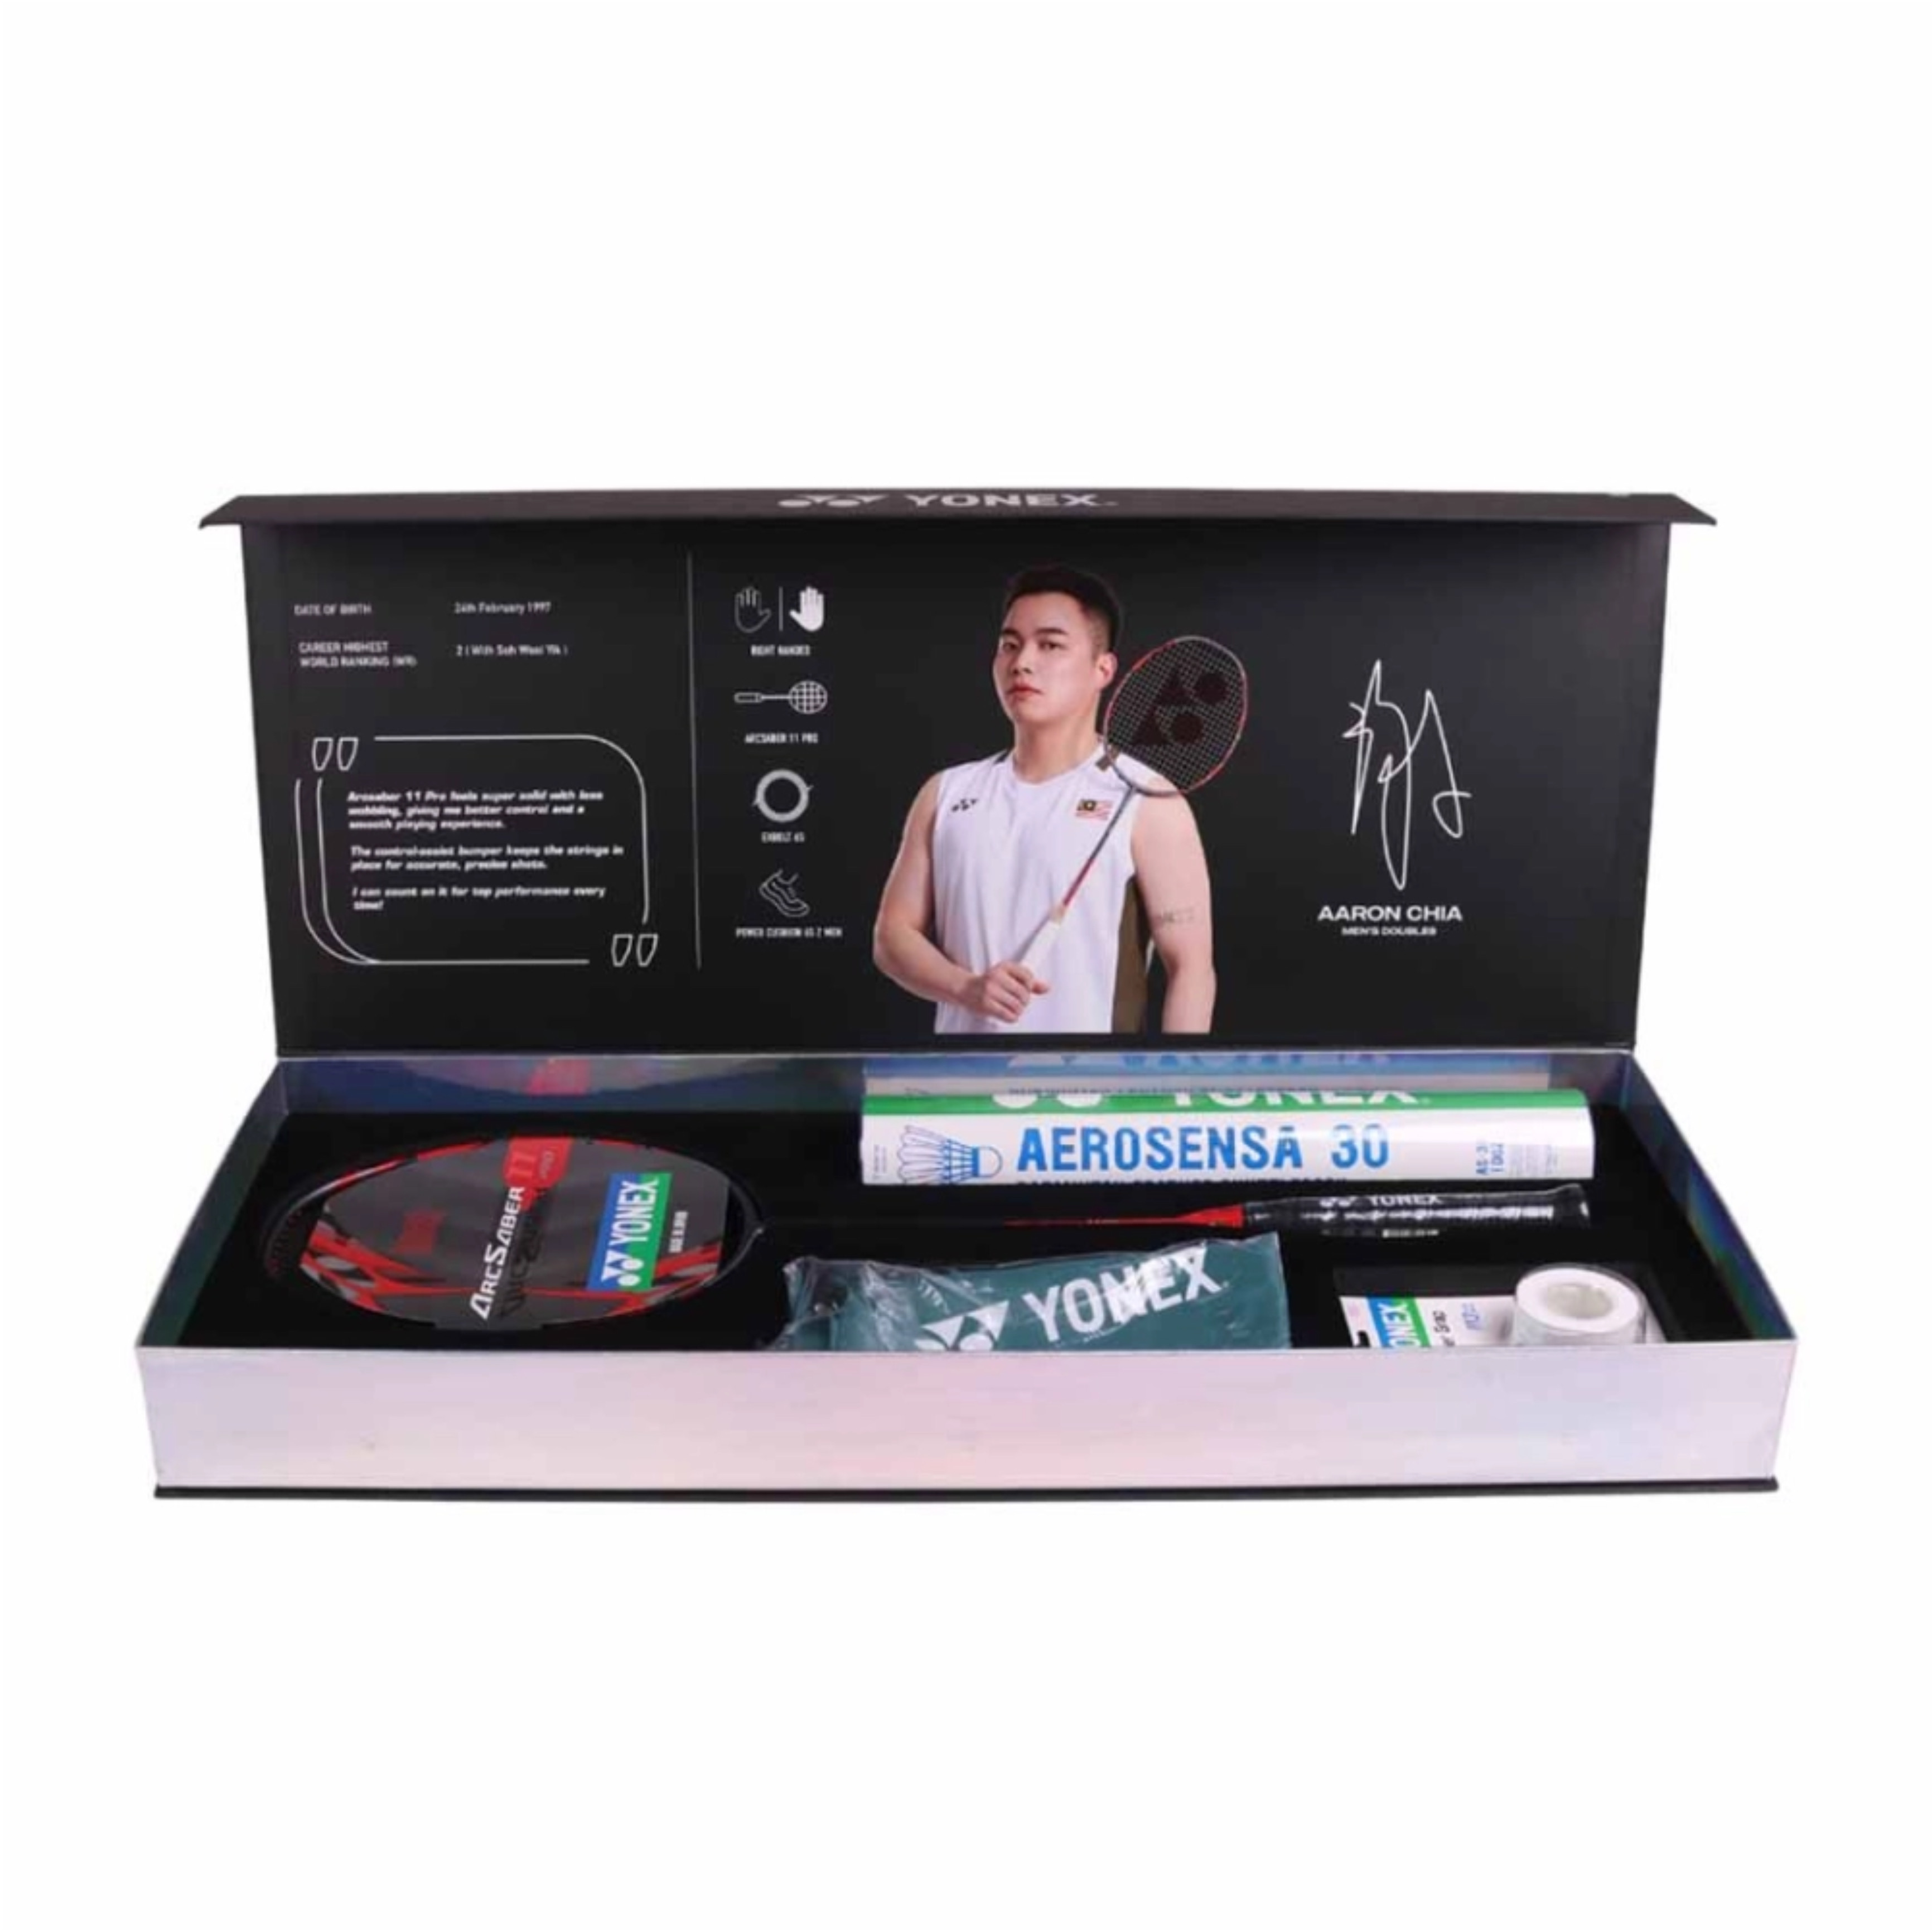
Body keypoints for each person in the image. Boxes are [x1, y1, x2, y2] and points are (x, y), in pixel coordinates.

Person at [873, 564, 1216, 1033]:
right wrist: (965, 988)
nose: (1022, 663)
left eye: (1050, 645)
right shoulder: (946, 793)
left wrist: (1183, 1077)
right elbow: (892, 937)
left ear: (1102, 669)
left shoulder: (1148, 800)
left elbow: (1192, 970)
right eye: (1009, 645)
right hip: (960, 1076)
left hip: (1091, 1079)